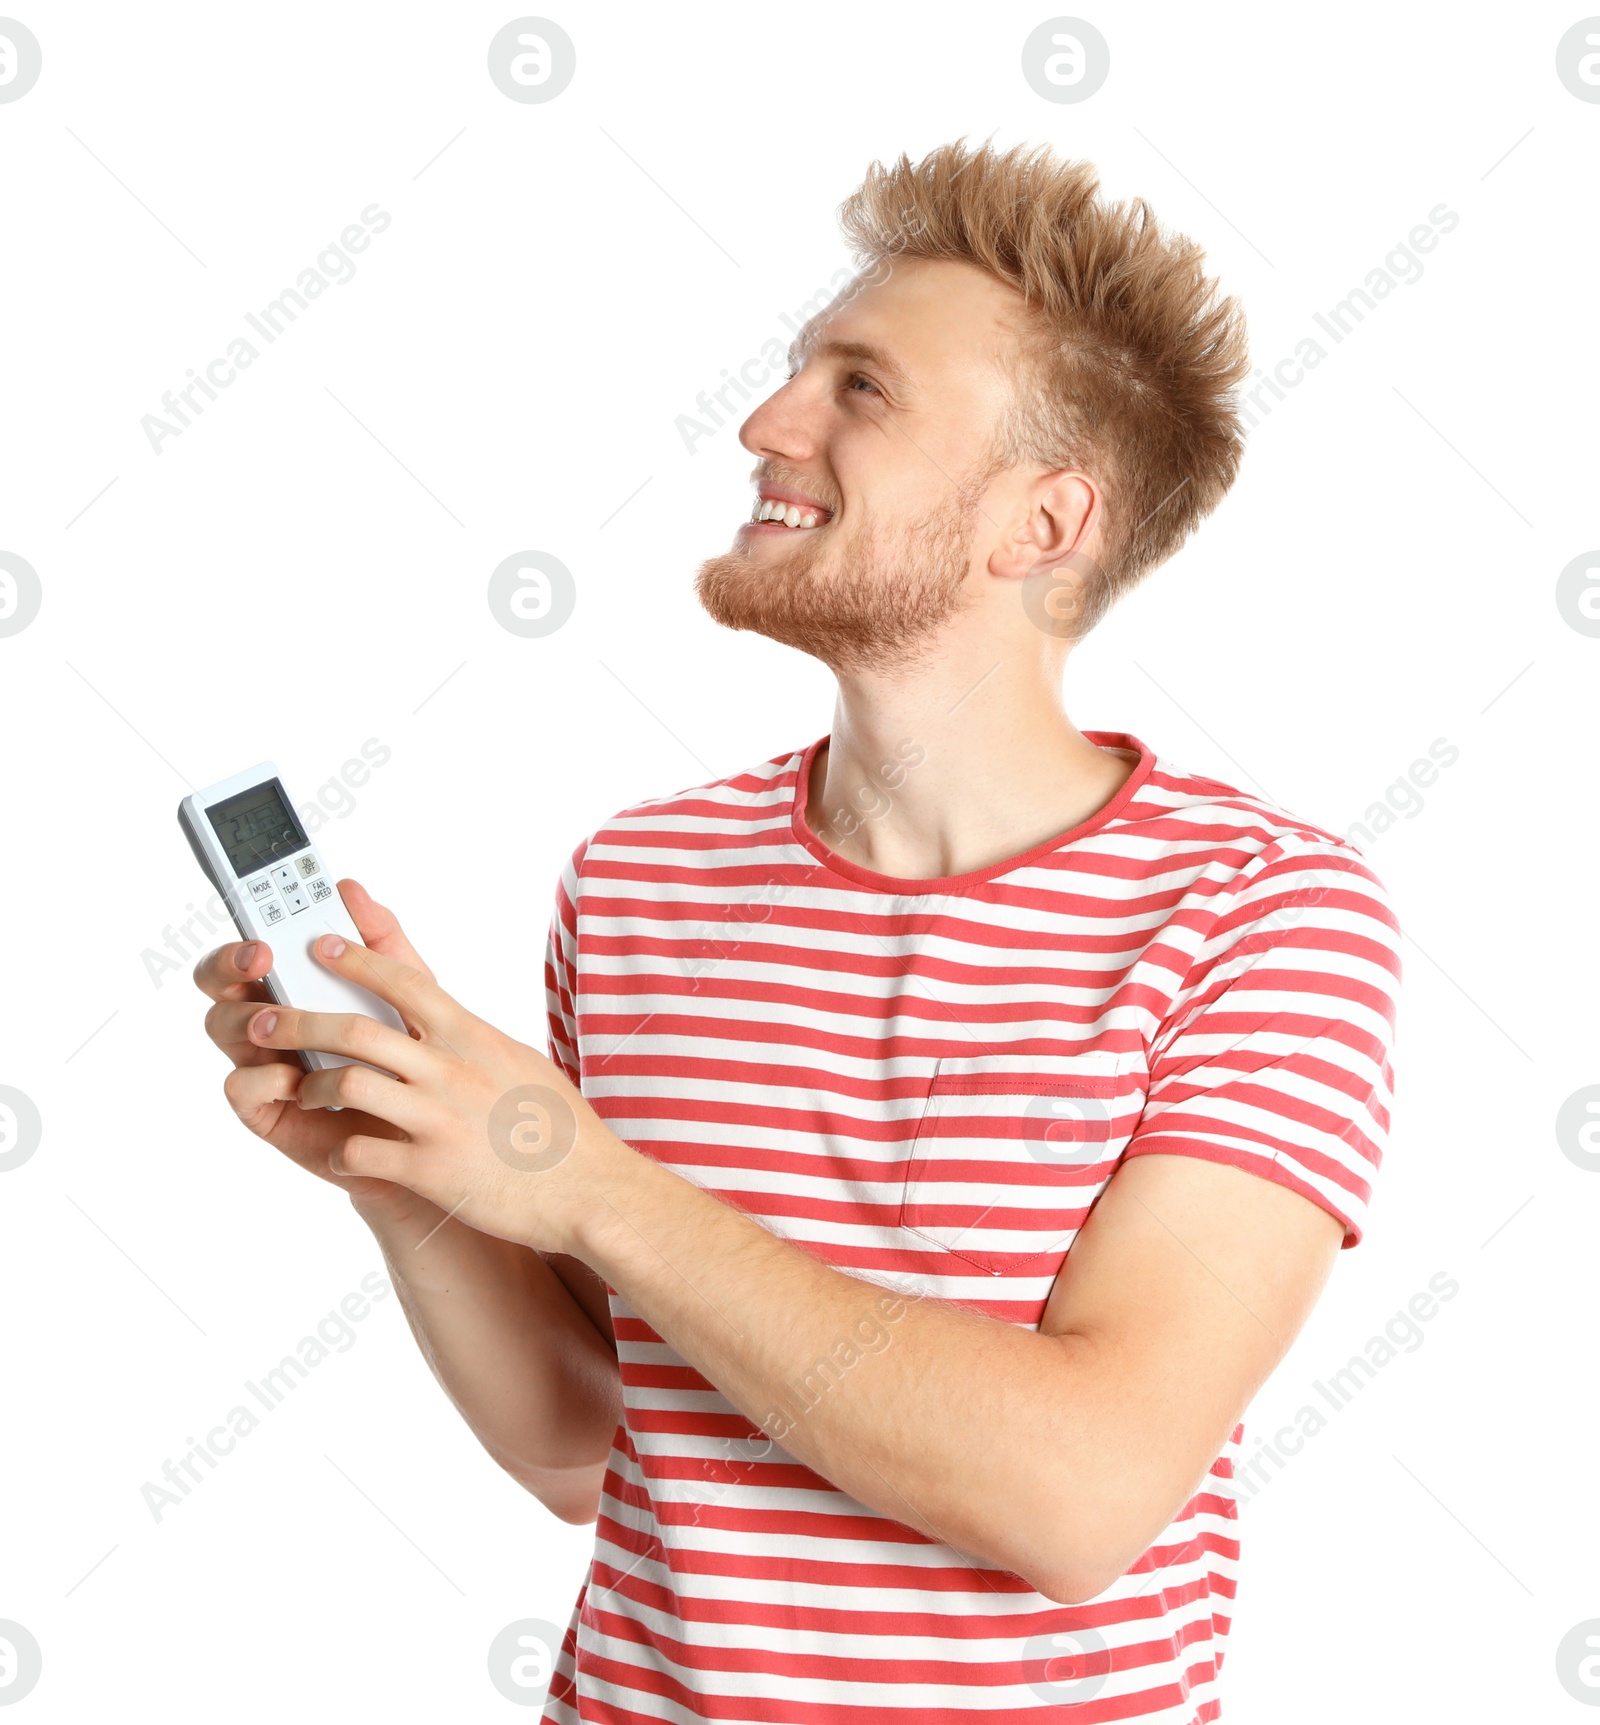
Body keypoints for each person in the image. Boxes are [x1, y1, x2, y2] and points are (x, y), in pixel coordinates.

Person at [193, 139, 1400, 1721]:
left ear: (1040, 523)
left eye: (863, 390)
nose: (767, 423)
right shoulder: (641, 883)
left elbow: (1079, 1495)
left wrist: (576, 1176)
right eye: (795, 373)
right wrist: (417, 1174)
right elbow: (588, 1445)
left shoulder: (1266, 912)